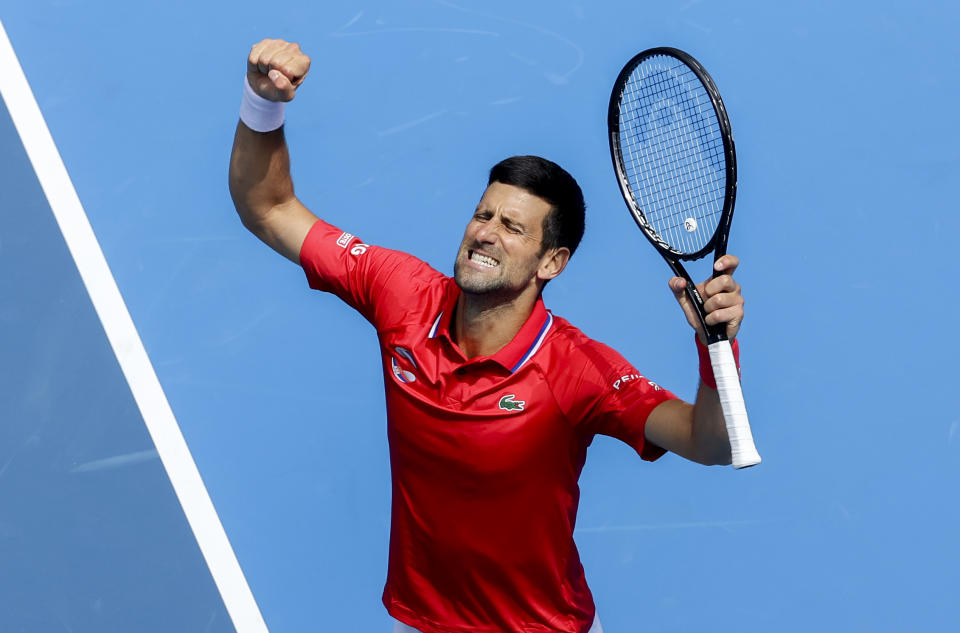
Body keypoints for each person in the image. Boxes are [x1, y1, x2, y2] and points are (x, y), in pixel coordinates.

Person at [229, 39, 748, 633]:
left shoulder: (577, 371)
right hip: (426, 620)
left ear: (551, 263)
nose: (485, 234)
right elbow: (267, 206)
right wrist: (262, 103)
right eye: (483, 215)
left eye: (512, 228)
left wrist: (716, 348)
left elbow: (711, 444)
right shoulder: (402, 294)